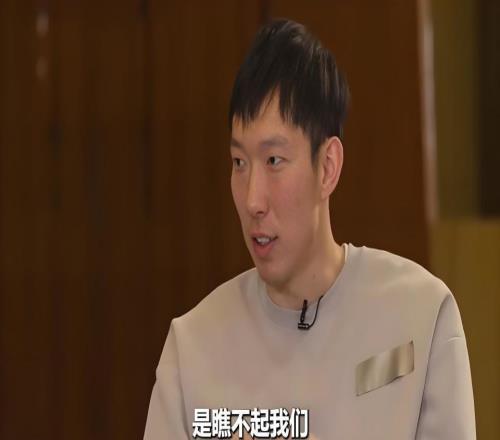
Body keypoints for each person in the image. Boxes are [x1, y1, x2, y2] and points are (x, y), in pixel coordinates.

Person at [143, 18, 475, 439]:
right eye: (239, 163)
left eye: (274, 161)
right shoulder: (193, 349)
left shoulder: (421, 315)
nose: (252, 200)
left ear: (328, 167)